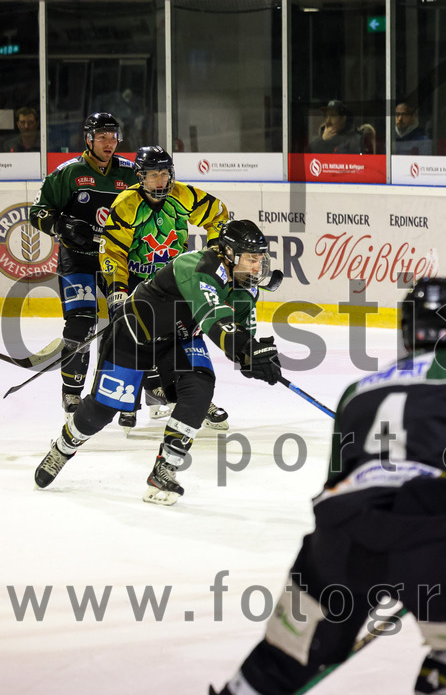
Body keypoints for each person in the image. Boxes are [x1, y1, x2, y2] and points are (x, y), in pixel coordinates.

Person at [210, 277, 446, 695]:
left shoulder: (358, 390)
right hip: (429, 532)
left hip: (337, 535)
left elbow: (336, 481)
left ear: (406, 331)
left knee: (282, 658)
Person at [34, 219, 283, 506]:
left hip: (179, 339)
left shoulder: (246, 289)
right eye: (252, 259)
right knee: (102, 410)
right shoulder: (198, 266)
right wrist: (245, 348)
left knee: (200, 388)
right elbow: (213, 314)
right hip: (135, 334)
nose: (257, 267)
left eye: (260, 260)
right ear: (229, 253)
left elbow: (239, 334)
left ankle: (165, 469)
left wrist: (254, 356)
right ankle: (63, 448)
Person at [100, 145, 232, 430]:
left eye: (164, 173)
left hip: (176, 281)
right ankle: (128, 401)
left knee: (187, 337)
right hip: (138, 283)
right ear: (140, 176)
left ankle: (196, 399)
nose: (160, 180)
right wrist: (117, 290)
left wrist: (213, 255)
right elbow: (112, 252)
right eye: (153, 175)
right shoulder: (126, 204)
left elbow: (219, 216)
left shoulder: (184, 195)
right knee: (135, 341)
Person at [28, 112, 138, 416]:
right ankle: (72, 392)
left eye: (113, 137)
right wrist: (60, 224)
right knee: (80, 323)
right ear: (88, 139)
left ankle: (130, 389)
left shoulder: (130, 173)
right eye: (102, 137)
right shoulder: (69, 172)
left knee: (128, 322)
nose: (109, 143)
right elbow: (38, 212)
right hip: (77, 258)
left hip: (115, 258)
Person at [307, 99, 375, 154]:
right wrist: (323, 141)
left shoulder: (357, 140)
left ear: (343, 118)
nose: (328, 121)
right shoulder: (318, 142)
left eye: (333, 116)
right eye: (326, 116)